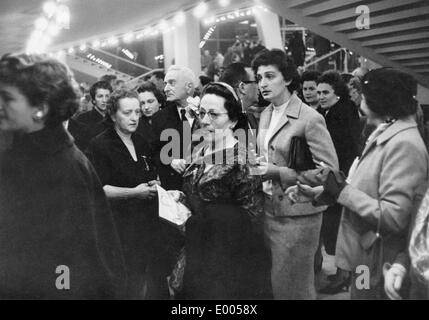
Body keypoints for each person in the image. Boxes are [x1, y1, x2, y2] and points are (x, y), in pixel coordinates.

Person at [292, 68, 429, 299]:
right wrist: (321, 192)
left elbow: (394, 217)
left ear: (382, 99)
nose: (360, 99)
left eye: (365, 94)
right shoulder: (385, 133)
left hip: (377, 260)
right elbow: (364, 186)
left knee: (364, 295)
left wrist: (342, 190)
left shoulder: (404, 144)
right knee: (359, 293)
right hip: (365, 255)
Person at [0, 53, 126, 299]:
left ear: (40, 109)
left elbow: (66, 265)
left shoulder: (60, 169)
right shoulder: (29, 154)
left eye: (7, 98)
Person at [250, 49, 339, 299]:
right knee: (277, 286)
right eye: (259, 78)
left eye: (270, 76)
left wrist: (278, 172)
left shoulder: (310, 118)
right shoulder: (267, 113)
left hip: (298, 216)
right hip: (269, 211)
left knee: (293, 288)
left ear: (287, 79)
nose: (263, 83)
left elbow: (330, 172)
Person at [178, 82, 271, 299]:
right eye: (202, 113)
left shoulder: (243, 159)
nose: (205, 121)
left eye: (214, 114)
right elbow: (195, 195)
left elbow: (253, 218)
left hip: (227, 264)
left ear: (233, 120)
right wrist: (179, 199)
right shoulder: (201, 150)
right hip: (198, 252)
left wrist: (213, 217)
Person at [87, 89, 162, 299]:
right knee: (124, 283)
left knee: (143, 279)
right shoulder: (100, 144)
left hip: (145, 224)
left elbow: (150, 173)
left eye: (137, 112)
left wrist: (154, 184)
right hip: (118, 228)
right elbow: (100, 190)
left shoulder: (142, 141)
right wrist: (134, 193)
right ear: (112, 115)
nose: (134, 117)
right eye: (127, 112)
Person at [315, 70, 361, 292]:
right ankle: (344, 277)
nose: (320, 96)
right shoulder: (333, 111)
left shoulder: (340, 113)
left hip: (341, 180)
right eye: (318, 92)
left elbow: (343, 148)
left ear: (338, 94)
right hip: (339, 178)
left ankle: (345, 278)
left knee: (339, 230)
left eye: (325, 92)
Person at [151, 65, 199, 191]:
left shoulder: (208, 113)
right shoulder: (159, 118)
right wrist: (170, 160)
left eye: (172, 83)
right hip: (173, 189)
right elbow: (153, 151)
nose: (166, 89)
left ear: (189, 87)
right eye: (166, 83)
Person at [70, 80, 113, 151]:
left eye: (107, 96)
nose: (104, 100)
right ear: (93, 100)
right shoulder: (83, 118)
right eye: (100, 96)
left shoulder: (113, 120)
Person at [220, 62, 259, 136]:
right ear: (242, 87)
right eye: (256, 81)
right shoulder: (224, 123)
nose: (260, 85)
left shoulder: (250, 117)